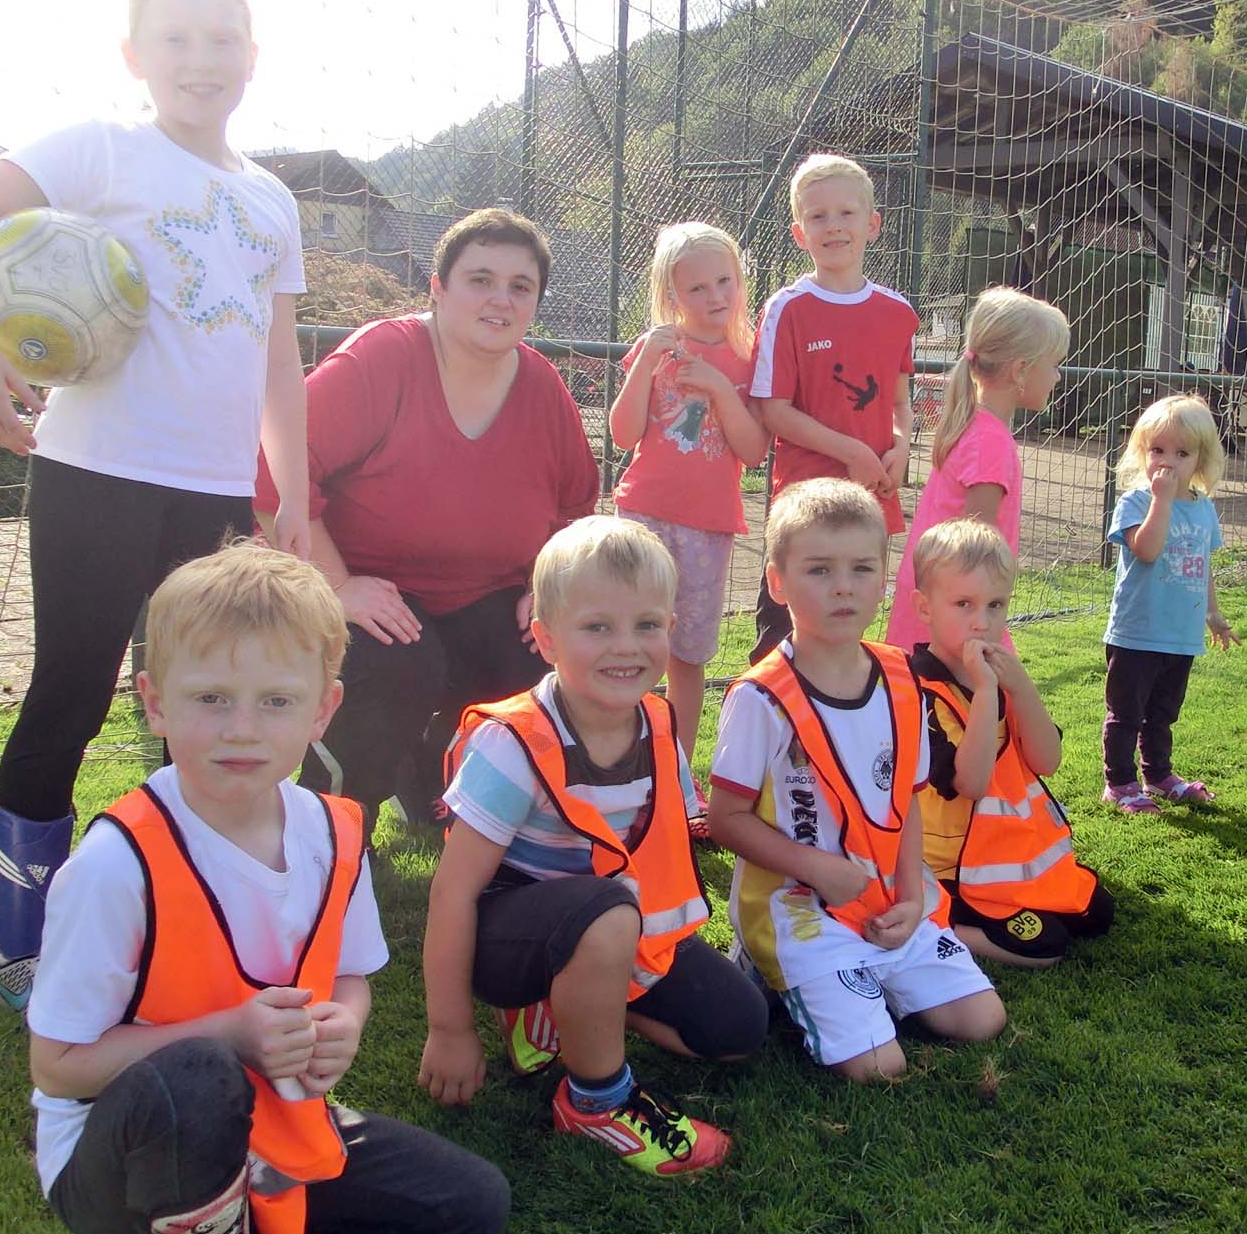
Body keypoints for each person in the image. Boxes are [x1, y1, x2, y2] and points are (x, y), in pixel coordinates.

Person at [0, 0, 310, 1012]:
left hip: (216, 498)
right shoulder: (100, 149)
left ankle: (183, 919)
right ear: (135, 56)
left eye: (220, 40)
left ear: (252, 57)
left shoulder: (271, 200)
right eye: (175, 39)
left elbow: (278, 364)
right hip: (96, 475)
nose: (199, 60)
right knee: (74, 692)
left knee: (211, 707)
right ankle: (24, 945)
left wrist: (296, 499)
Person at [26, 544, 508, 1234]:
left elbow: (349, 977)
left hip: (272, 1120)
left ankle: (255, 1214)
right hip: (121, 1153)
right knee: (196, 1077)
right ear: (155, 701)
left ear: (324, 709)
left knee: (473, 1208)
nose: (242, 730)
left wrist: (343, 1023)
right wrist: (231, 1033)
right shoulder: (117, 865)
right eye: (212, 698)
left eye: (277, 702)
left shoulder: (333, 832)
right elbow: (58, 1065)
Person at [417, 517, 766, 1175]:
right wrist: (449, 1028)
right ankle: (595, 1102)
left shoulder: (659, 722)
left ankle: (576, 1006)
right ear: (546, 638)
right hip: (511, 938)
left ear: (670, 627)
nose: (625, 647)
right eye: (597, 627)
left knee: (738, 1030)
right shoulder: (513, 742)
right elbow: (453, 893)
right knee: (604, 910)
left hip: (613, 927)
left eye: (646, 624)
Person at [255, 208, 599, 835]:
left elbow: (576, 509)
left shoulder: (543, 388)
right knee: (397, 662)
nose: (500, 299)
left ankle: (445, 788)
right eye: (480, 280)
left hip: (486, 594)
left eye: (520, 286)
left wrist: (542, 588)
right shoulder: (383, 358)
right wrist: (335, 586)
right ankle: (334, 823)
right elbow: (274, 471)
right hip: (375, 590)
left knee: (543, 648)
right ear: (438, 288)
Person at [709, 479, 1007, 1080]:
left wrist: (912, 896)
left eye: (861, 569)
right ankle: (776, 969)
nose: (843, 586)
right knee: (878, 1065)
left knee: (983, 1020)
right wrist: (818, 869)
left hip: (888, 895)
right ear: (777, 582)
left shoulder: (901, 677)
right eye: (819, 570)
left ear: (884, 578)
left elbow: (908, 802)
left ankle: (865, 977)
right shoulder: (760, 698)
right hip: (800, 905)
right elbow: (724, 820)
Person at [906, 518, 1113, 968]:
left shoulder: (1000, 676)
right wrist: (985, 693)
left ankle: (1005, 902)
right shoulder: (917, 692)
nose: (982, 623)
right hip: (950, 870)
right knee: (1045, 947)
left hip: (1007, 856)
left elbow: (1046, 760)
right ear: (925, 608)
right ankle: (935, 924)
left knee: (1098, 912)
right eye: (963, 604)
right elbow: (973, 783)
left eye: (995, 605)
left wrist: (1020, 689)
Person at [609, 223, 770, 764]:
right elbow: (623, 434)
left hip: (708, 527)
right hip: (642, 516)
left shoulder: (750, 356)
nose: (715, 296)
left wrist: (721, 388)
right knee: (624, 642)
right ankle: (616, 757)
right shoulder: (656, 348)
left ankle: (675, 768)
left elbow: (754, 451)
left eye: (725, 281)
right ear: (671, 294)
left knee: (688, 654)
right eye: (697, 288)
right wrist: (645, 364)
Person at [746, 153, 917, 661]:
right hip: (804, 508)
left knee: (849, 638)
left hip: (870, 503)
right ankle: (770, 712)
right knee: (783, 643)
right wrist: (850, 452)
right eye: (818, 216)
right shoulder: (786, 308)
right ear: (800, 234)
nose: (834, 226)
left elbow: (900, 402)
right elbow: (773, 410)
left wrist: (902, 447)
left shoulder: (898, 312)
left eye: (846, 213)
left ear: (873, 225)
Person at [885, 287, 1069, 653]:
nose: (1058, 376)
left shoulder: (973, 427)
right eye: (1054, 364)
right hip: (953, 628)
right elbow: (975, 556)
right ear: (1020, 370)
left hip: (940, 613)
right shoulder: (991, 443)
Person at [1105, 395, 1240, 816]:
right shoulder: (1136, 502)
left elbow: (1203, 566)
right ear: (1142, 452)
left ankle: (1158, 775)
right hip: (1137, 631)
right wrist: (1161, 501)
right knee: (1126, 713)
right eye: (1158, 450)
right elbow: (1146, 550)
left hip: (1180, 634)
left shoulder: (1203, 509)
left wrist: (1213, 614)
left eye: (1182, 453)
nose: (1167, 462)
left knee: (1162, 713)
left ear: (1201, 459)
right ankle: (1120, 783)